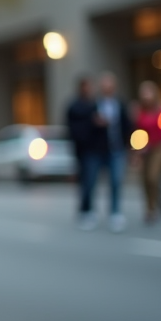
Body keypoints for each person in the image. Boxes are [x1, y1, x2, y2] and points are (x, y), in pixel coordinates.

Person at [92, 72, 134, 232]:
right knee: (94, 181)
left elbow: (127, 125)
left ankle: (115, 212)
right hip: (98, 150)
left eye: (110, 86)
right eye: (105, 86)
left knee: (116, 181)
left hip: (117, 149)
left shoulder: (121, 104)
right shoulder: (94, 104)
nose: (107, 89)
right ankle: (91, 211)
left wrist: (129, 146)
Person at [134, 81, 161, 224]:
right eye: (144, 93)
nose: (146, 96)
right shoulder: (139, 111)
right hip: (144, 149)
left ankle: (154, 207)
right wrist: (137, 150)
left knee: (153, 177)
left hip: (159, 147)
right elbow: (136, 130)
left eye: (149, 92)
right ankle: (149, 208)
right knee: (144, 180)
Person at [66, 76, 101, 230]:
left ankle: (86, 208)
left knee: (90, 181)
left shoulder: (95, 104)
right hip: (82, 150)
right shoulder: (75, 106)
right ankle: (85, 209)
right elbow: (72, 130)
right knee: (86, 181)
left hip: (94, 149)